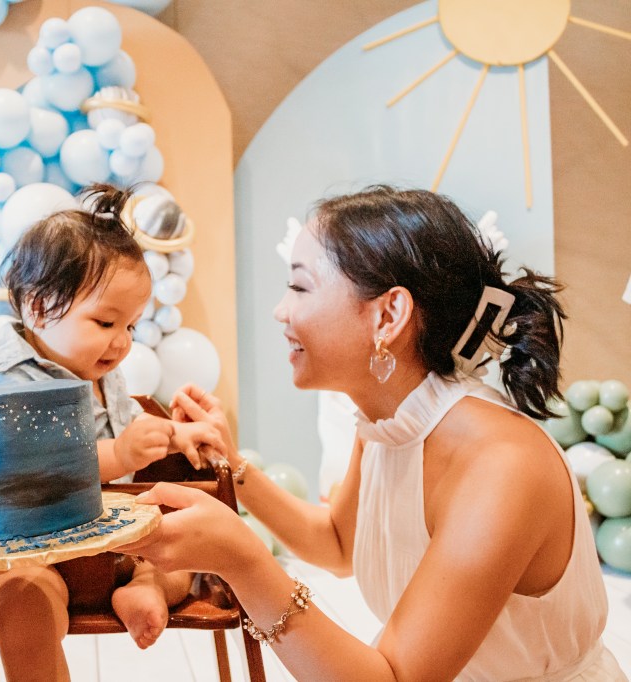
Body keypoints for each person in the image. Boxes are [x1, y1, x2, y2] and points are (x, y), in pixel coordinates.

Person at [122, 186, 627, 681]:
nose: (281, 310)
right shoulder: (388, 425)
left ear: (389, 315)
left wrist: (244, 561)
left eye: (300, 287)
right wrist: (232, 464)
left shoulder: (500, 466)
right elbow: (338, 545)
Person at [0, 184, 225, 681]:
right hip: (35, 554)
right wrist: (118, 456)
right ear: (38, 308)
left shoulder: (102, 372)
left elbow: (130, 426)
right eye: (107, 322)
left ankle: (144, 587)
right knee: (17, 596)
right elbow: (35, 473)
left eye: (131, 326)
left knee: (183, 560)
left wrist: (172, 436)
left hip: (116, 546)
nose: (123, 342)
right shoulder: (13, 382)